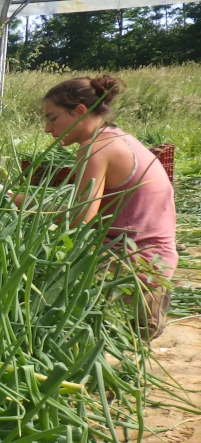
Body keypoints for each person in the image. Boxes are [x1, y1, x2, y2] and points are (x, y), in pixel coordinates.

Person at [12, 75, 177, 339]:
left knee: (33, 279)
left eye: (52, 118)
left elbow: (79, 219)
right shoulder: (117, 137)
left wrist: (18, 203)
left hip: (135, 268)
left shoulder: (95, 148)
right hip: (155, 262)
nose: (47, 128)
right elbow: (84, 207)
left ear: (79, 111)